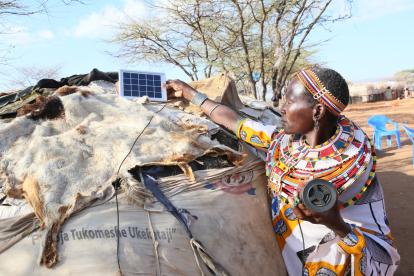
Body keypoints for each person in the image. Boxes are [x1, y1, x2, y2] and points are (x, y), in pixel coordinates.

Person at [166, 67, 400, 275]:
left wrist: (336, 224)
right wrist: (190, 93)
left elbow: (383, 257)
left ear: (317, 111)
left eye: (289, 101)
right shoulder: (281, 143)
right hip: (289, 259)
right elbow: (235, 122)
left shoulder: (356, 169)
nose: (282, 108)